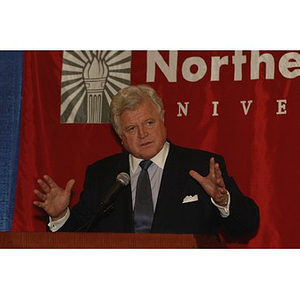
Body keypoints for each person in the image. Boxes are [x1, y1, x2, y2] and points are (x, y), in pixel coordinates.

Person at [34, 84, 259, 238]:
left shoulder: (201, 167)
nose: (143, 134)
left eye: (149, 123)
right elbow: (75, 239)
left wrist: (223, 201)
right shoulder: (102, 175)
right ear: (121, 137)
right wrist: (60, 216)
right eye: (132, 128)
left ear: (162, 121)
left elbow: (246, 226)